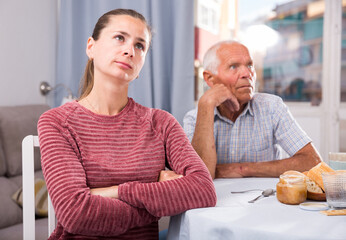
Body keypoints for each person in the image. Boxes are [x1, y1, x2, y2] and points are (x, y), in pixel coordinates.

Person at [38, 9, 216, 239]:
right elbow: (75, 213)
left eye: (140, 45)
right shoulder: (57, 122)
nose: (129, 50)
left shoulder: (161, 123)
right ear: (91, 47)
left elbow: (203, 190)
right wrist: (157, 201)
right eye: (120, 38)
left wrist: (116, 191)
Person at [184, 40, 322, 179]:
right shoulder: (194, 118)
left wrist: (242, 169)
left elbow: (312, 162)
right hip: (217, 199)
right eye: (233, 66)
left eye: (250, 65)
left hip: (265, 198)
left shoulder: (272, 107)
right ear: (210, 79)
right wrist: (206, 105)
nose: (246, 73)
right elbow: (198, 176)